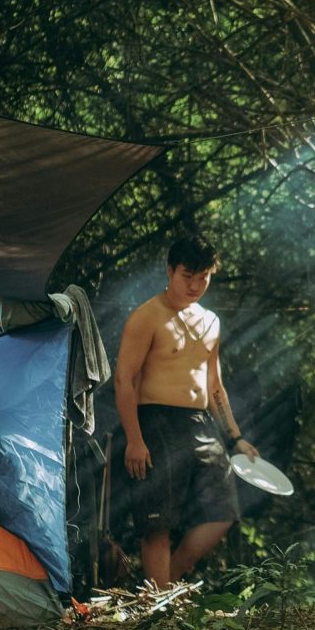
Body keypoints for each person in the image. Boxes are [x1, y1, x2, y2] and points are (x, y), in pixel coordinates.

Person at [115, 233, 258, 588]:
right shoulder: (147, 316)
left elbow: (214, 387)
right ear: (170, 271)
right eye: (187, 276)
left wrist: (236, 437)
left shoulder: (211, 321)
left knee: (223, 513)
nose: (195, 285)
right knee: (157, 522)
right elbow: (123, 379)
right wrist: (134, 438)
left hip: (200, 423)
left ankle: (164, 586)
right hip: (155, 422)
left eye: (203, 277)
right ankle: (158, 600)